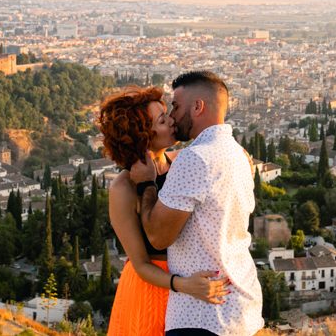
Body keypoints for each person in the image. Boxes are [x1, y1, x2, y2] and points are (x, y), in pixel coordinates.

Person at [131, 71, 263, 336]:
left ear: (198, 107)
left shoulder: (195, 159)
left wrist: (146, 185)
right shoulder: (236, 153)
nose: (172, 115)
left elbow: (158, 237)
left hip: (203, 315)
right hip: (242, 309)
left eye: (177, 106)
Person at [97, 85, 231, 336]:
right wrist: (184, 285)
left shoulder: (183, 161)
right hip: (152, 292)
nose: (172, 120)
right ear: (142, 136)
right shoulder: (123, 189)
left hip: (191, 290)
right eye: (162, 119)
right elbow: (140, 264)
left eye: (167, 112)